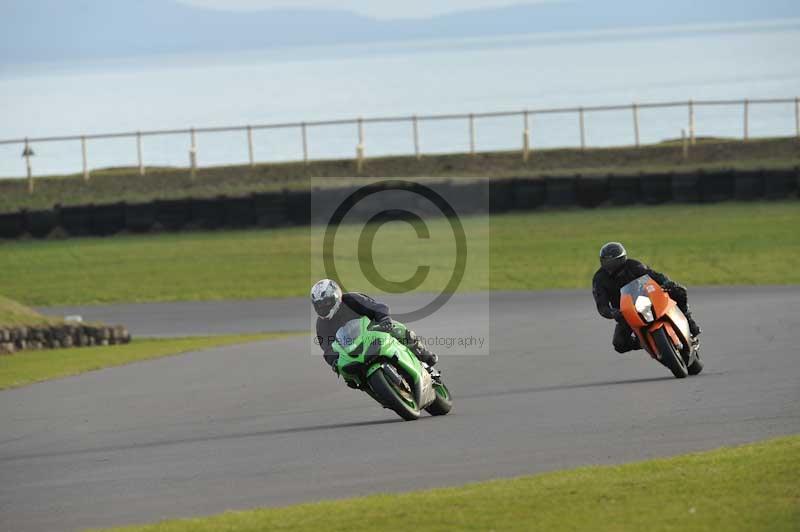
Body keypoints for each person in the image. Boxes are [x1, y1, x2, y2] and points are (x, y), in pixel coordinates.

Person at [592, 242, 701, 354]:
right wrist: (612, 313)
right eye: (605, 261)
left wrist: (667, 283)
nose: (609, 265)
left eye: (612, 261)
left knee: (679, 291)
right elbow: (601, 304)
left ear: (621, 259)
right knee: (619, 344)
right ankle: (642, 343)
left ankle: (690, 322)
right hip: (625, 312)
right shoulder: (599, 279)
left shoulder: (633, 265)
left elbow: (652, 275)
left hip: (647, 299)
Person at [311, 279, 439, 372]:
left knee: (398, 329)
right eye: (319, 305)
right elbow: (327, 348)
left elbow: (378, 308)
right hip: (352, 349)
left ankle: (423, 354)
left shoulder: (351, 300)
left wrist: (384, 320)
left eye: (326, 302)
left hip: (374, 331)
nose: (323, 307)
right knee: (348, 376)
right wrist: (334, 361)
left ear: (335, 296)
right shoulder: (322, 324)